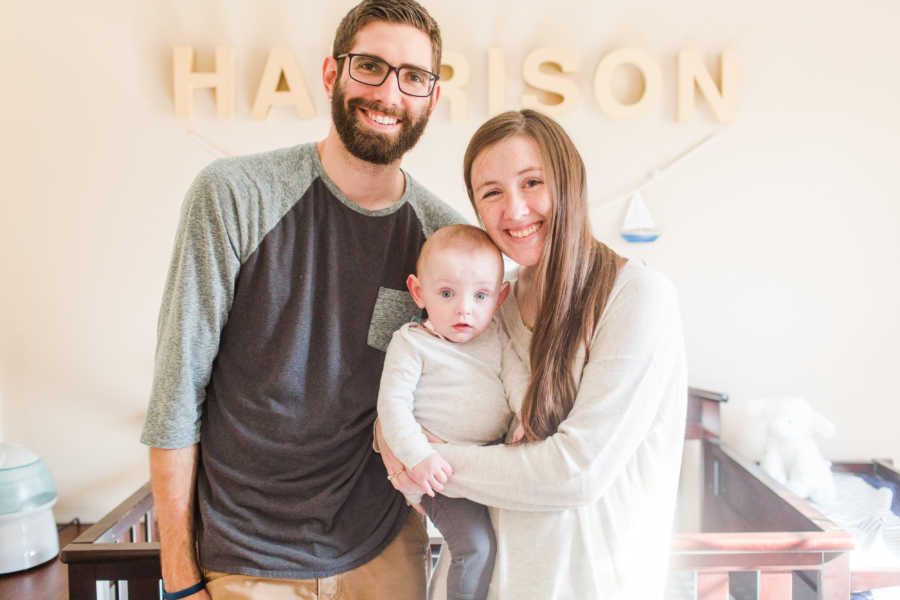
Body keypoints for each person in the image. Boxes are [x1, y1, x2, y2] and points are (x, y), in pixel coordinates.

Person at [140, 2, 465, 599]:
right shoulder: (234, 196)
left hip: (384, 548)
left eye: (413, 76)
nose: (389, 93)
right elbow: (175, 392)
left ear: (431, 99)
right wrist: (181, 581)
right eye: (369, 66)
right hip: (247, 554)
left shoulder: (442, 241)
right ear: (332, 74)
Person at [399, 110, 688, 600]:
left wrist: (424, 460)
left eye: (532, 182)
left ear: (569, 182)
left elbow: (576, 473)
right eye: (491, 192)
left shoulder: (635, 296)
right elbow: (434, 402)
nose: (514, 211)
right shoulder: (490, 304)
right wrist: (398, 439)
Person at [377, 224, 517, 600]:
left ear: (500, 297)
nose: (464, 309)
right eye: (446, 293)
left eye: (481, 295)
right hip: (438, 474)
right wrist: (417, 456)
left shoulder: (497, 340)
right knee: (475, 548)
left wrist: (526, 419)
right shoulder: (411, 343)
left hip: (489, 465)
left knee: (500, 548)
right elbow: (392, 407)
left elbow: (518, 380)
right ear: (418, 292)